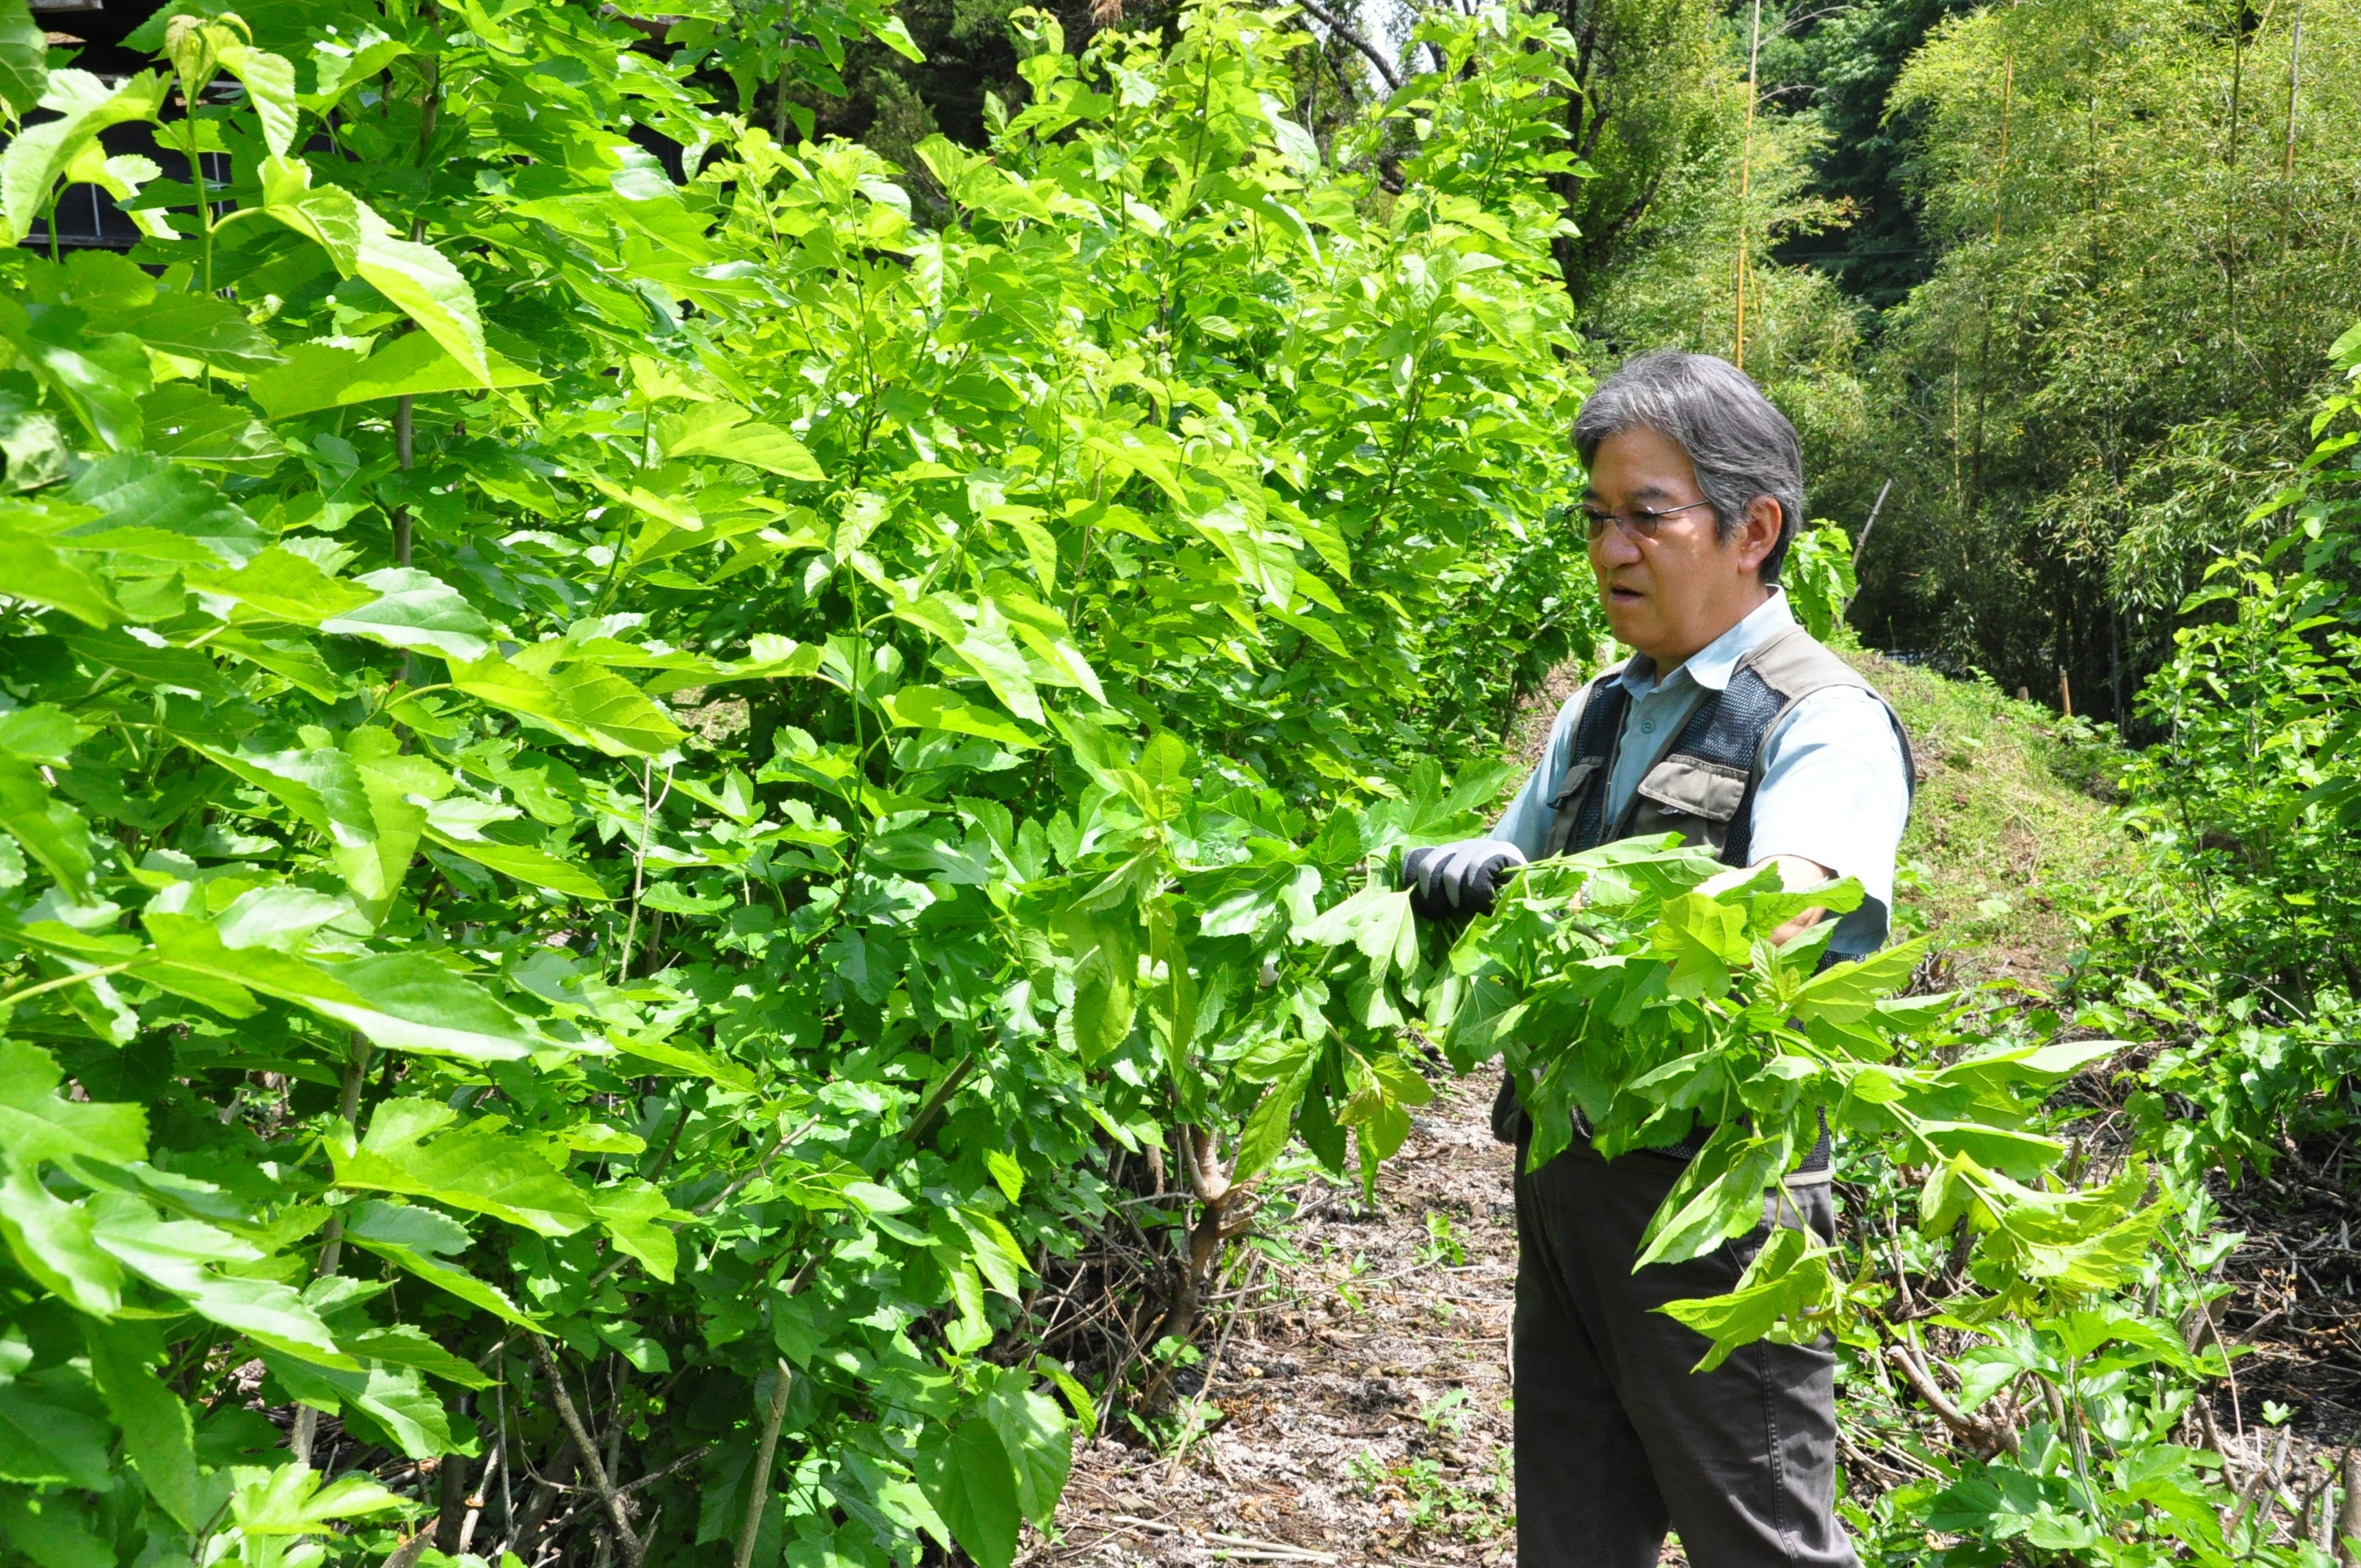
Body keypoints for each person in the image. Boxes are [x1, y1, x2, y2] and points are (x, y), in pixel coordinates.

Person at [1401, 351, 1914, 1568]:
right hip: (1567, 1186)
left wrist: (1562, 906)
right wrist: (1444, 869)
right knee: (1574, 1537)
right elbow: (1514, 850)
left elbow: (1786, 909)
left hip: (1719, 1208)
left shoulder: (1821, 720)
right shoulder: (1601, 710)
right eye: (1596, 518)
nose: (1612, 549)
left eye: (1648, 515)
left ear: (1756, 529)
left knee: (1761, 1544)